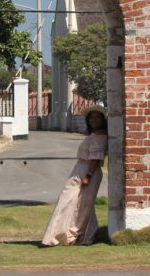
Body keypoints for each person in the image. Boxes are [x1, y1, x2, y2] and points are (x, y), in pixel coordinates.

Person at [41, 105, 108, 246]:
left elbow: (95, 158)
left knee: (75, 202)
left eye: (97, 118)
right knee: (74, 201)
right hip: (81, 169)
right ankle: (79, 234)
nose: (94, 120)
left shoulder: (100, 135)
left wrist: (88, 176)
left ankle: (71, 234)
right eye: (91, 118)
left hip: (88, 171)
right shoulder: (94, 134)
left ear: (103, 120)